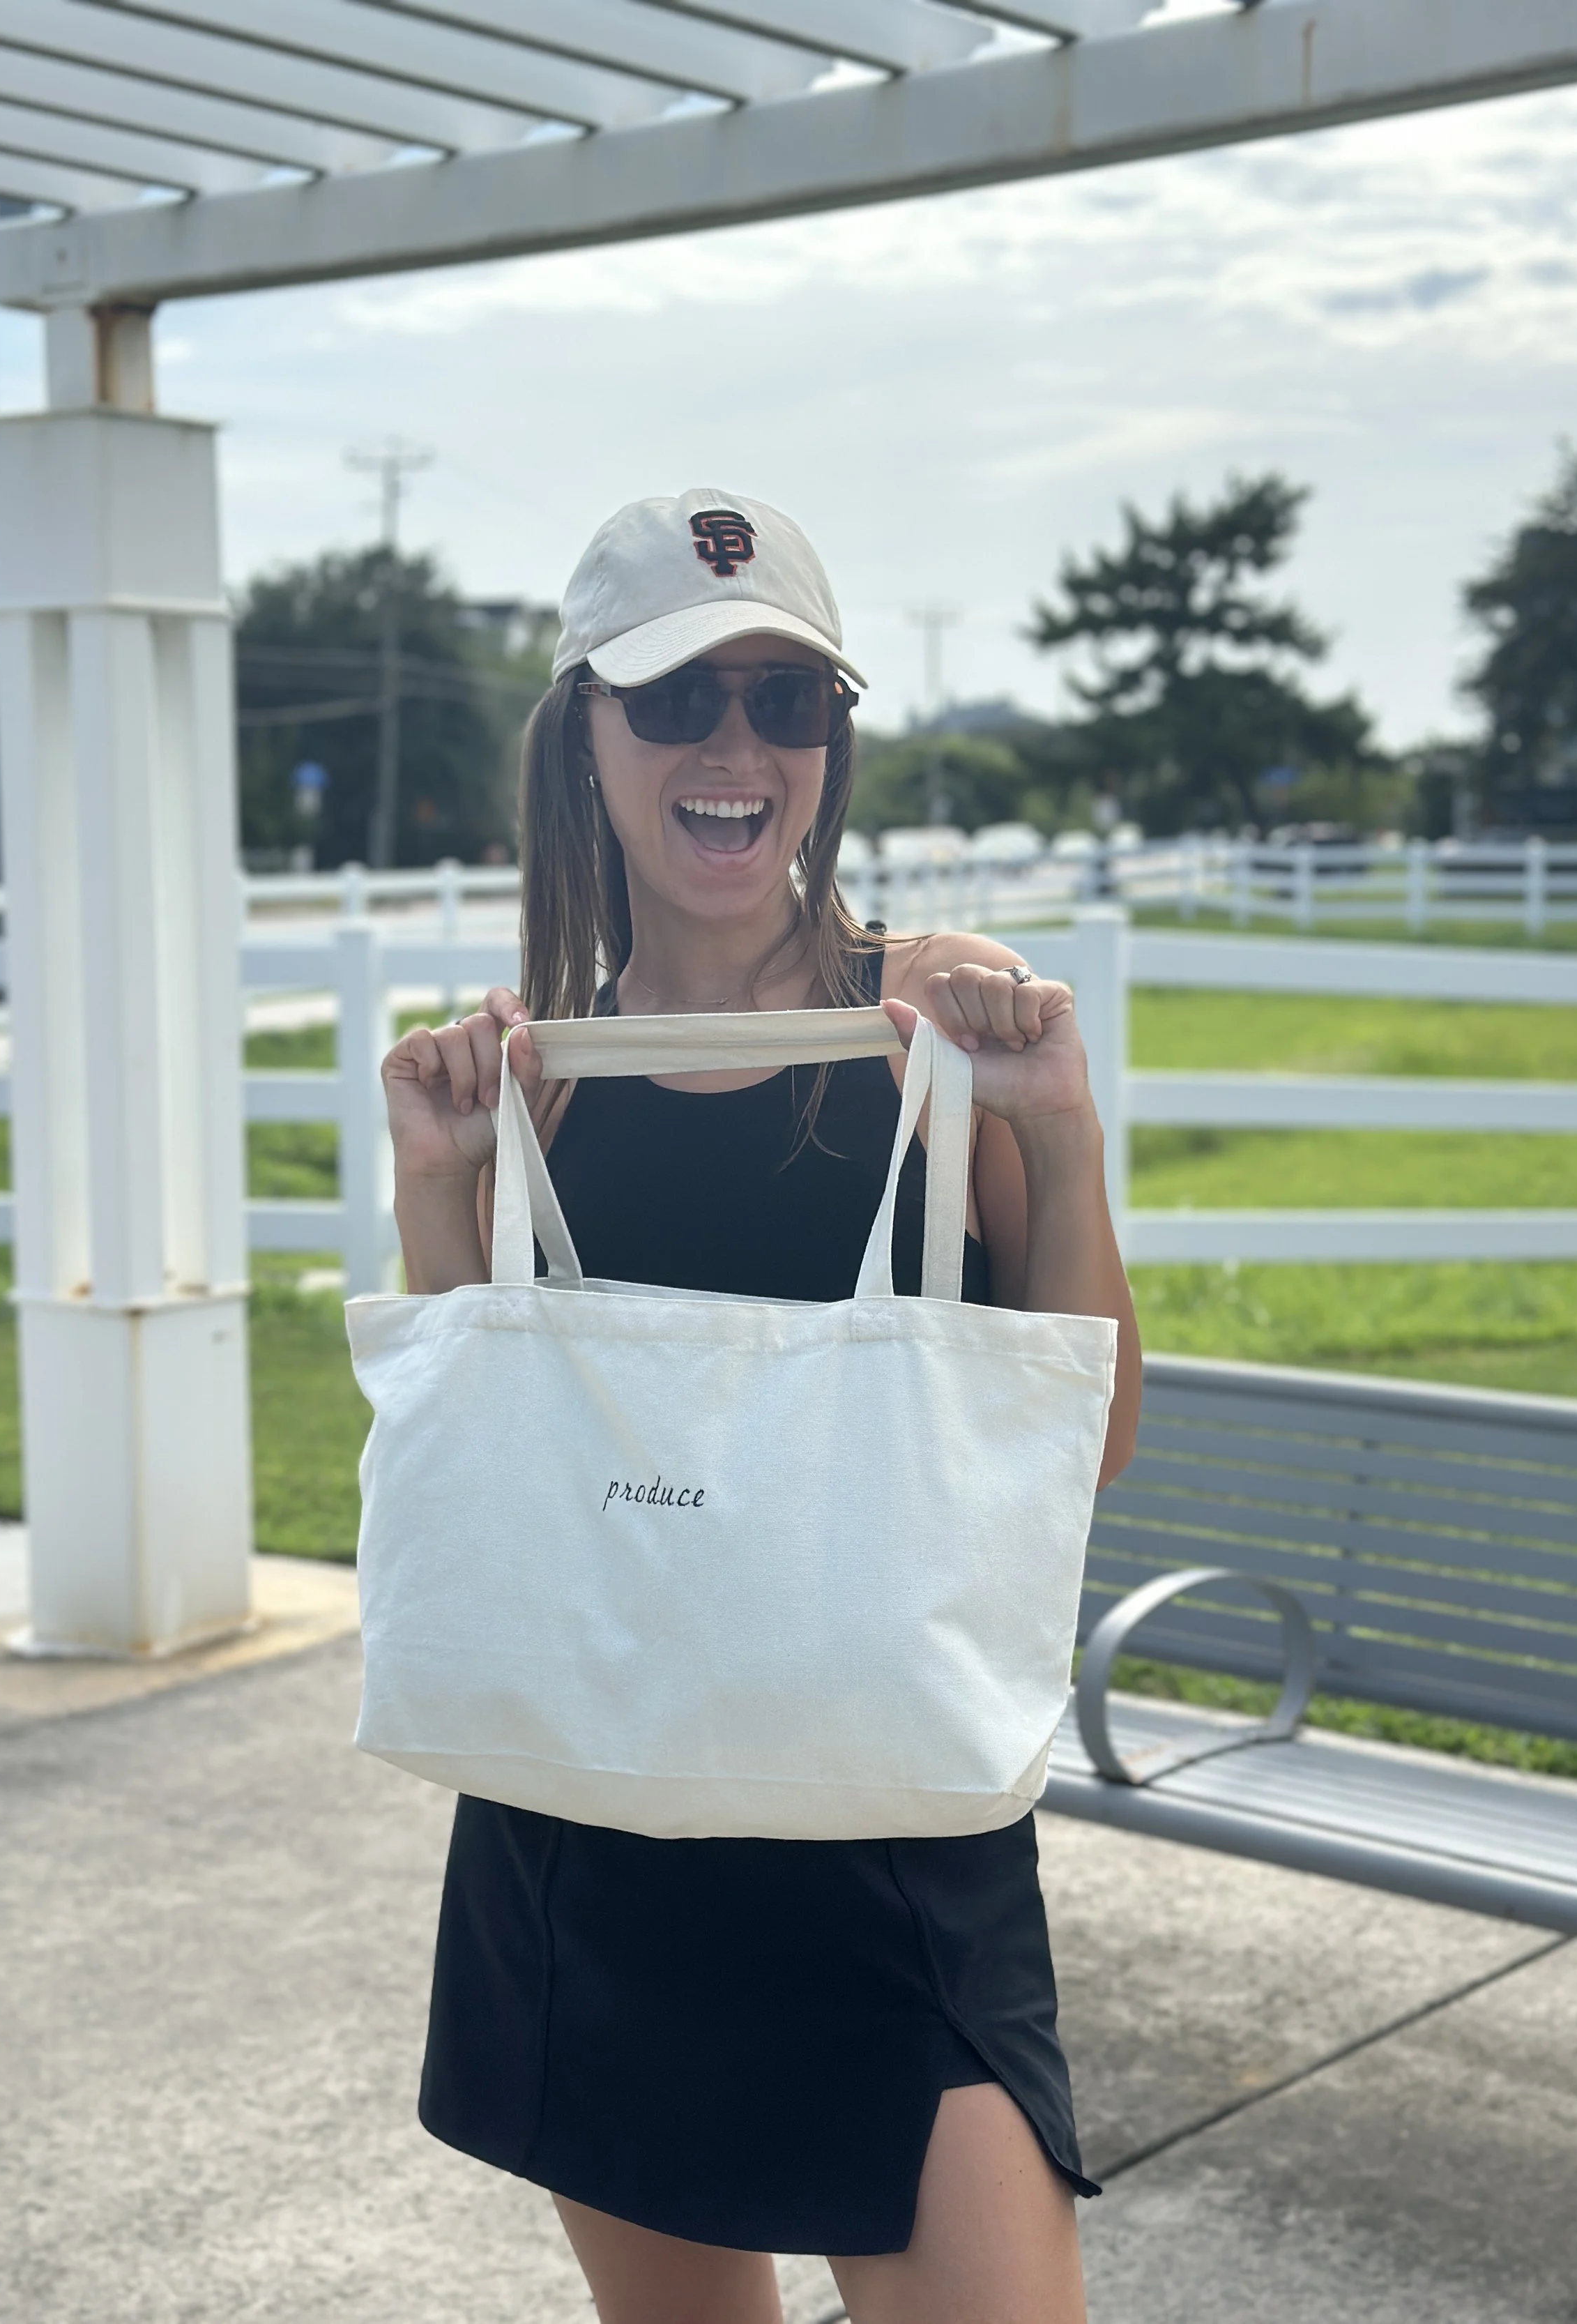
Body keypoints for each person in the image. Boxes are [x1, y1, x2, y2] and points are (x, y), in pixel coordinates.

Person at [379, 489, 1142, 2324]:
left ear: (830, 747)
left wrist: (1054, 1120)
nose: (736, 748)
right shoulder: (532, 1085)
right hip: (593, 1837)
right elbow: (477, 1486)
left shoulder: (932, 1041)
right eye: (677, 700)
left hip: (896, 1857)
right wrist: (438, 1177)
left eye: (784, 703)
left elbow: (1086, 1440)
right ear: (585, 739)